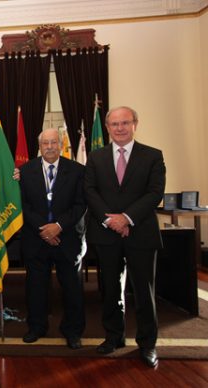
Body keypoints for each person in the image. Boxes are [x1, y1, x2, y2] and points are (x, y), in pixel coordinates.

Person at [85, 106, 166, 368]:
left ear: (135, 124)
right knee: (109, 290)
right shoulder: (96, 158)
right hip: (106, 234)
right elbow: (90, 192)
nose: (120, 128)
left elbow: (155, 193)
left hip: (140, 233)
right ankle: (113, 337)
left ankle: (147, 344)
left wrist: (127, 218)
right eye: (114, 124)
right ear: (107, 127)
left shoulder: (153, 156)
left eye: (125, 123)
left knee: (144, 291)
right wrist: (111, 220)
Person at [19, 128, 86, 349]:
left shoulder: (77, 171)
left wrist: (58, 226)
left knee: (72, 288)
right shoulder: (25, 171)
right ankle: (36, 327)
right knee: (36, 287)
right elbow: (23, 205)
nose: (49, 147)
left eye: (53, 142)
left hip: (67, 238)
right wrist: (43, 228)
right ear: (39, 146)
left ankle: (73, 331)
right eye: (45, 143)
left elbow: (80, 205)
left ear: (61, 144)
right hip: (36, 239)